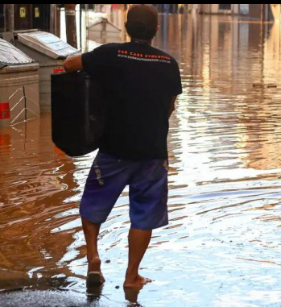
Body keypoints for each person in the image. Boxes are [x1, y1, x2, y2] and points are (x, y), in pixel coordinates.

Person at [63, 4, 182, 289]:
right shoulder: (168, 63)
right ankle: (132, 276)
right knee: (143, 215)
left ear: (126, 29)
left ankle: (93, 258)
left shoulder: (109, 54)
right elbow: (169, 107)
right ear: (156, 30)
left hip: (113, 149)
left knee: (92, 204)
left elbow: (69, 65)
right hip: (152, 153)